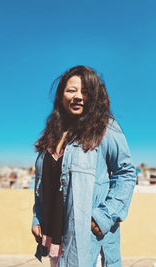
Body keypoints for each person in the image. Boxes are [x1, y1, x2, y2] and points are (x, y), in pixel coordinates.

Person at [31, 65, 136, 267]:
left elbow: (126, 173)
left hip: (88, 242)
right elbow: (43, 183)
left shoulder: (106, 128)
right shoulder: (51, 135)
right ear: (61, 95)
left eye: (85, 92)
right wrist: (38, 217)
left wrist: (105, 215)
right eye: (71, 90)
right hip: (56, 241)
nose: (78, 96)